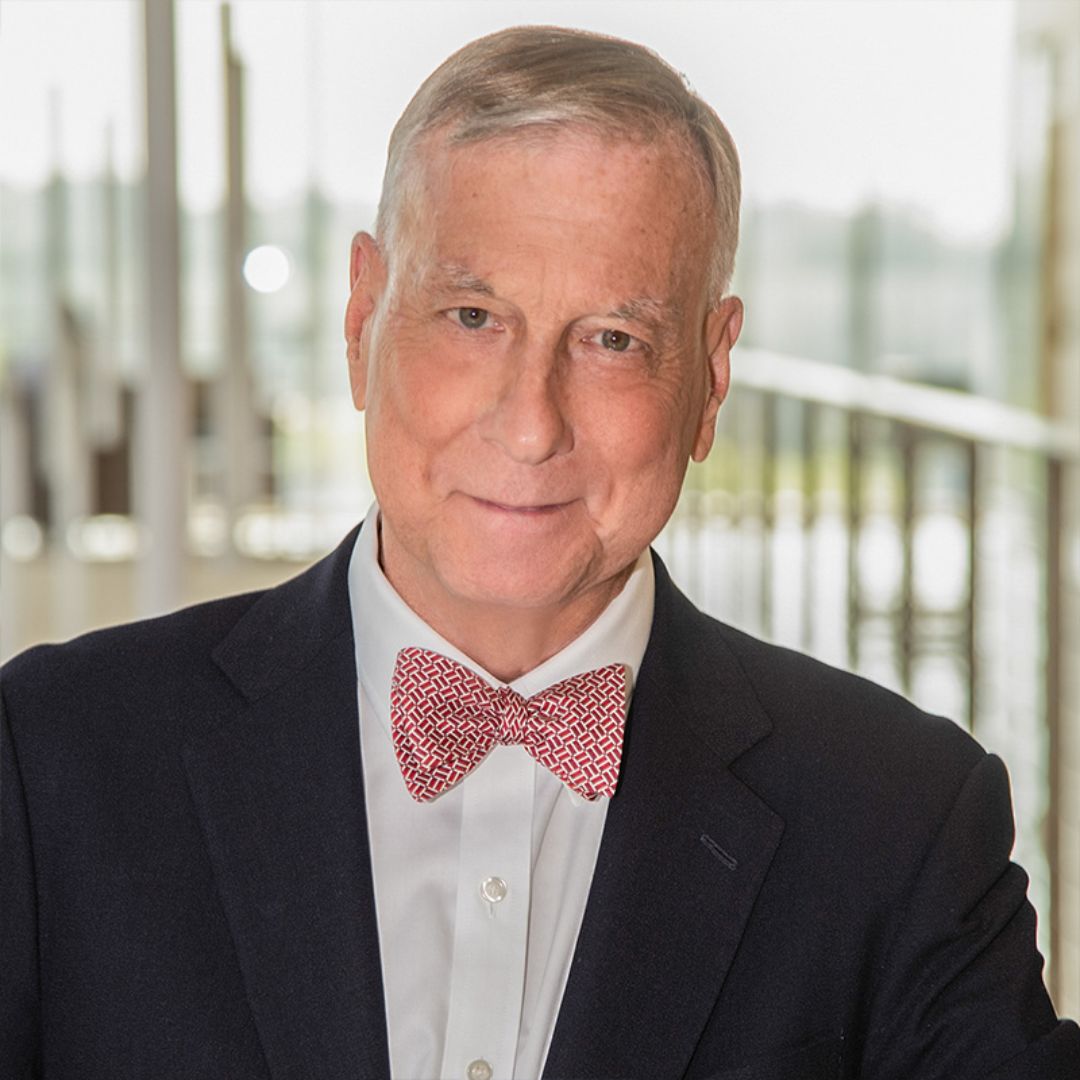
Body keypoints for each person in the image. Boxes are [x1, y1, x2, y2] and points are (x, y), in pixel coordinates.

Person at [1, 24, 1077, 1080]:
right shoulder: (48, 763)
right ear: (361, 318)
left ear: (710, 375)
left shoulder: (903, 819)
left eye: (613, 340)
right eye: (472, 316)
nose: (531, 424)